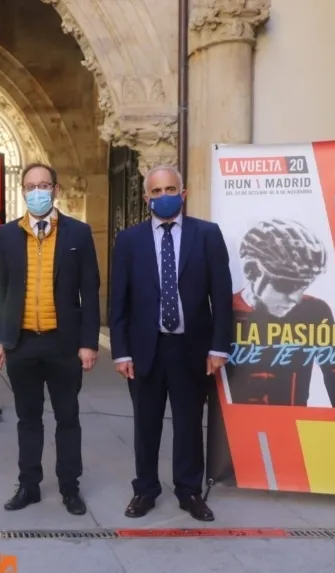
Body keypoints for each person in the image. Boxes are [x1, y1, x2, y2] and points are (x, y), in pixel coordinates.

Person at [109, 164, 233, 522]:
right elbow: (119, 301)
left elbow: (221, 296)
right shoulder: (129, 241)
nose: (164, 197)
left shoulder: (207, 235)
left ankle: (189, 491)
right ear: (147, 197)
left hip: (191, 348)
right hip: (146, 348)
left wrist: (218, 347)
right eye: (157, 191)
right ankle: (145, 490)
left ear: (184, 192)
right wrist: (121, 352)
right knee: (145, 424)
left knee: (190, 423)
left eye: (170, 189)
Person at [0, 163, 100, 515]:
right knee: (28, 418)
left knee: (67, 416)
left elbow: (90, 292)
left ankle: (70, 487)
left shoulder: (78, 234)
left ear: (55, 189)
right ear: (22, 191)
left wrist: (89, 343)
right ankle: (29, 485)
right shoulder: (7, 235)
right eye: (31, 186)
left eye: (44, 185)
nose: (37, 191)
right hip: (22, 343)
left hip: (63, 343)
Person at [227, 218, 335, 408]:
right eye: (286, 285)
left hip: (295, 429)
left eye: (304, 286)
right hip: (237, 429)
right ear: (252, 271)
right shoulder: (226, 309)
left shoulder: (314, 312)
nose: (295, 298)